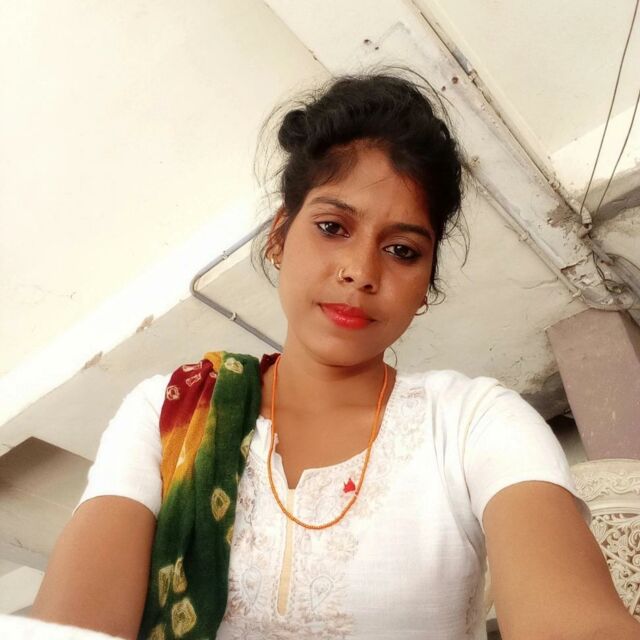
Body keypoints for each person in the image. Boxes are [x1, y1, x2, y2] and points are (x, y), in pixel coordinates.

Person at [30, 66, 630, 640]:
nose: (361, 271)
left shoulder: (473, 423)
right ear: (279, 236)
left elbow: (571, 622)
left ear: (425, 286)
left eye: (401, 250)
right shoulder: (166, 414)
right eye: (333, 227)